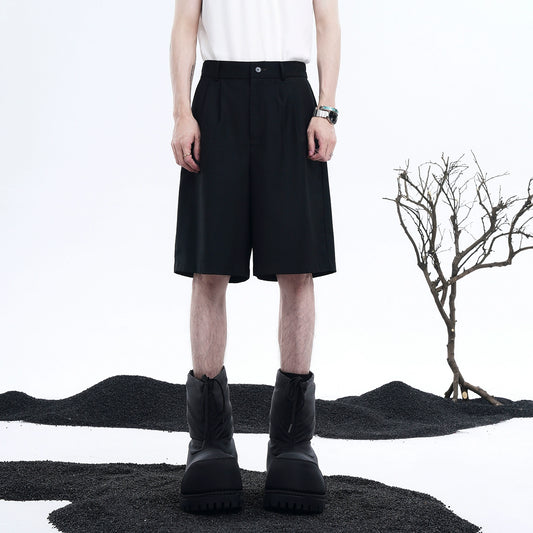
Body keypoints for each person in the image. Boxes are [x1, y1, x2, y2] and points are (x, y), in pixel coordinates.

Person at [169, 0, 340, 515]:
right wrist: (182, 112)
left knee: (298, 269)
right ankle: (210, 442)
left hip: (291, 98)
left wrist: (326, 109)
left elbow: (327, 21)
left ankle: (292, 443)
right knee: (209, 268)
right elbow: (185, 23)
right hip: (217, 96)